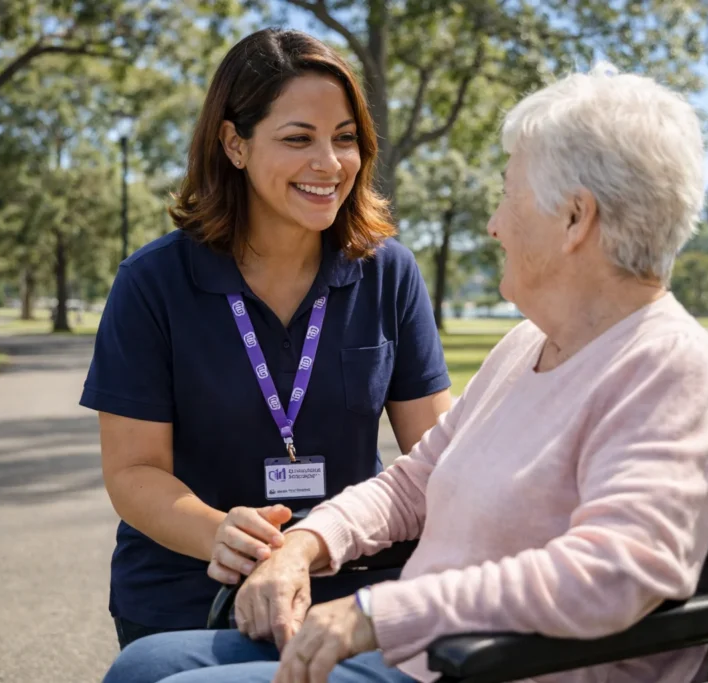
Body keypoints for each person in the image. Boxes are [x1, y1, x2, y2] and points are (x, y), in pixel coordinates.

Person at [101, 61, 708, 683]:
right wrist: (304, 544)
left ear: (575, 218)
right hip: (419, 640)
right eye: (300, 138)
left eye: (508, 194)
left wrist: (378, 611)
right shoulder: (527, 346)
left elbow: (615, 574)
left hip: (486, 661)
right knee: (140, 667)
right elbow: (415, 479)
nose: (493, 225)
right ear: (235, 145)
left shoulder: (668, 366)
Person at [80, 28, 452, 650]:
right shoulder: (152, 283)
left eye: (345, 138)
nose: (329, 165)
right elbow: (134, 470)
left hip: (350, 579)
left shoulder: (390, 274)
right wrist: (219, 533)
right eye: (297, 139)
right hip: (194, 584)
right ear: (234, 144)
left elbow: (438, 455)